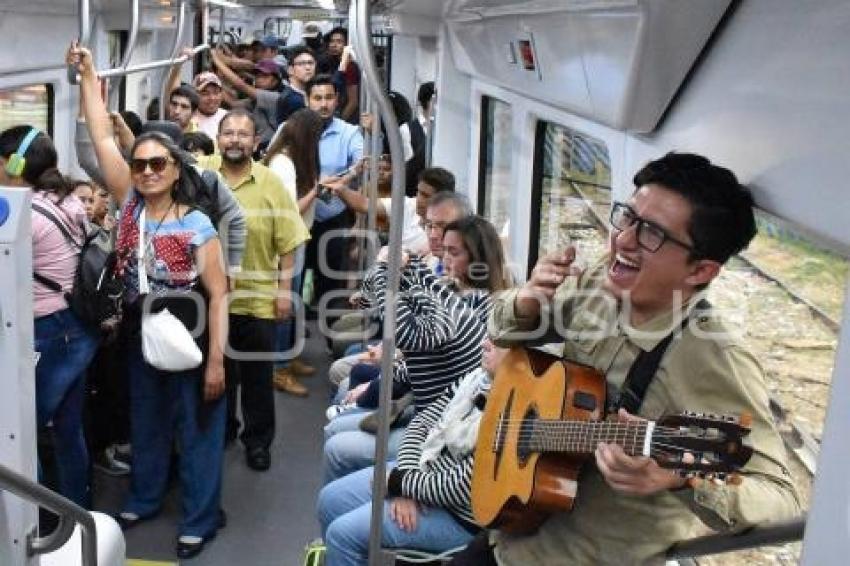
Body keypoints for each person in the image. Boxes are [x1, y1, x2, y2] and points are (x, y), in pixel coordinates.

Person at [451, 152, 802, 565]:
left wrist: (681, 478)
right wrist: (528, 298)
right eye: (628, 217)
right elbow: (503, 331)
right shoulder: (603, 277)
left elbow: (781, 497)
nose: (624, 240)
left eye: (652, 233)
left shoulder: (714, 357)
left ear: (701, 271)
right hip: (511, 534)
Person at [69, 42, 230, 558]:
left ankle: (200, 518)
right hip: (144, 328)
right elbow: (100, 135)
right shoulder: (132, 207)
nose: (146, 171)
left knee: (198, 426)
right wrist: (90, 75)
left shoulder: (197, 223)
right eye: (140, 164)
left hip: (194, 333)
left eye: (158, 163)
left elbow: (220, 295)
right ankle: (144, 495)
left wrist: (217, 364)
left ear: (176, 170)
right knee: (148, 419)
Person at [317, 339, 509, 565]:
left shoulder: (511, 409)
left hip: (458, 515)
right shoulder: (476, 378)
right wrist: (406, 479)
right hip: (421, 472)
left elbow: (464, 486)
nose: (485, 343)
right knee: (329, 499)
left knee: (342, 535)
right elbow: (422, 422)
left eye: (498, 342)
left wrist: (402, 484)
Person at [195, 109, 310, 471]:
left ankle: (258, 441)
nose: (235, 140)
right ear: (218, 138)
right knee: (217, 371)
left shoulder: (270, 183)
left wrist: (283, 290)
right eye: (228, 133)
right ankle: (222, 430)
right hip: (208, 297)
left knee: (257, 377)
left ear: (255, 142)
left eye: (243, 135)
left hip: (256, 295)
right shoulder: (201, 174)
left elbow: (288, 242)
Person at [0, 126, 99, 509]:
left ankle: (29, 517)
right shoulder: (66, 200)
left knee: (19, 431)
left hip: (49, 332)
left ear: (15, 164)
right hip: (74, 327)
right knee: (68, 428)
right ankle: (76, 508)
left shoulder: (28, 214)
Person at [262, 108, 326, 395]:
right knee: (284, 304)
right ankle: (278, 367)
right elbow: (288, 212)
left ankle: (288, 356)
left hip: (296, 239)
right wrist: (317, 190)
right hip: (286, 242)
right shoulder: (283, 165)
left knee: (294, 302)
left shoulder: (291, 161)